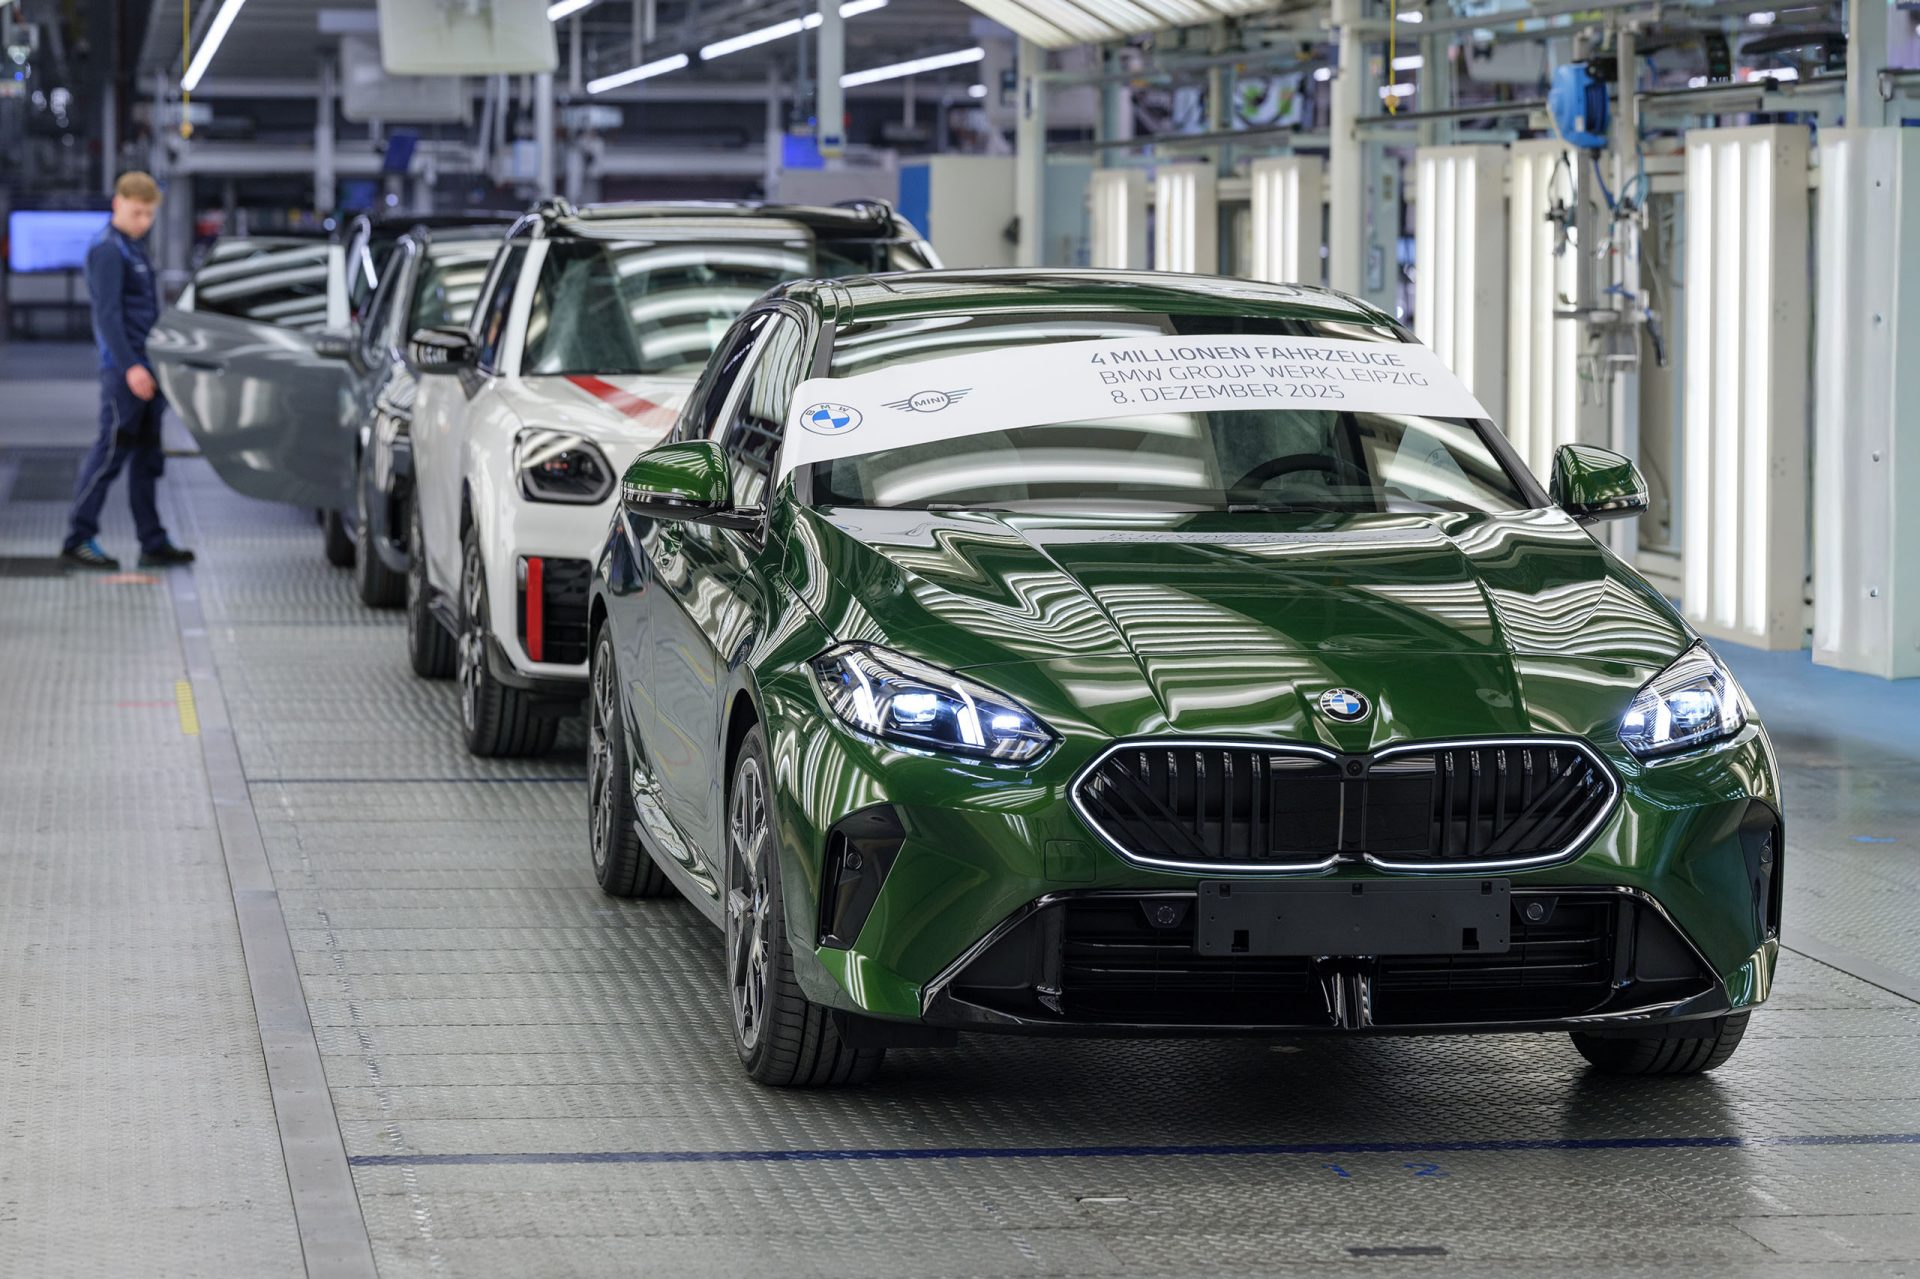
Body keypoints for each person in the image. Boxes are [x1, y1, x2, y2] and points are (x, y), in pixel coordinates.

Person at [60, 171, 195, 570]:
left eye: (150, 215)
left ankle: (152, 540)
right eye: (137, 213)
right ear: (117, 203)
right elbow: (108, 318)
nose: (144, 222)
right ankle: (78, 537)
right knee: (110, 454)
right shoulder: (108, 250)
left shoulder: (134, 248)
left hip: (147, 370)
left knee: (147, 459)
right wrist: (131, 367)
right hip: (125, 372)